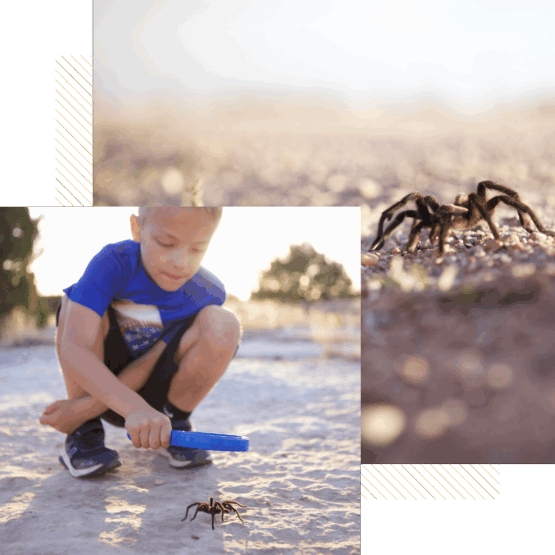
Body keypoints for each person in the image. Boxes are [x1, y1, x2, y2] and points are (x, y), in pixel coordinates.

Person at [39, 207, 241, 478]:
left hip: (155, 399)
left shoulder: (206, 291)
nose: (181, 261)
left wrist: (78, 411)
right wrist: (126, 408)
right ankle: (84, 431)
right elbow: (75, 348)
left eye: (197, 248)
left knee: (223, 323)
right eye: (166, 243)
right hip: (100, 384)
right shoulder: (114, 263)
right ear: (137, 229)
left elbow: (154, 358)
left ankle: (175, 424)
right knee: (73, 302)